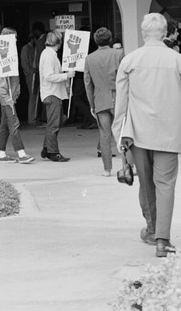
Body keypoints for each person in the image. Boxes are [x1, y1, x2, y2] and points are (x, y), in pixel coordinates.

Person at [113, 13, 181, 257]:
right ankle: (163, 240)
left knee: (145, 182)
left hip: (137, 134)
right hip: (169, 134)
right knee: (165, 185)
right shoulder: (177, 60)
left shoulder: (130, 60)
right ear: (164, 34)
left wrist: (119, 135)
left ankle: (151, 231)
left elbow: (120, 104)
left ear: (144, 34)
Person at [84, 27, 124, 176]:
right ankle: (128, 166)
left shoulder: (89, 58)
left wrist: (91, 104)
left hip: (100, 99)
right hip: (118, 96)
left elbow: (88, 84)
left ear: (96, 40)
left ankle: (107, 170)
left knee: (105, 135)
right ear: (110, 38)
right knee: (122, 134)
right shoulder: (119, 54)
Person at [0, 28, 34, 164]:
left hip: (10, 96)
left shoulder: (11, 55)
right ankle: (21, 153)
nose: (16, 40)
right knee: (14, 123)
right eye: (14, 37)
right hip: (6, 97)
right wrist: (7, 98)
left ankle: (1, 153)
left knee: (5, 124)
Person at [39, 30, 75, 162]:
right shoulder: (49, 55)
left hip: (53, 92)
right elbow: (48, 76)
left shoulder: (48, 53)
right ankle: (53, 152)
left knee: (55, 123)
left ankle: (47, 148)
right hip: (52, 92)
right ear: (58, 42)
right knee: (54, 124)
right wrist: (66, 76)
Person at [20, 35, 37, 125]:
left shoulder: (33, 48)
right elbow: (24, 64)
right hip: (31, 76)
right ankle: (31, 118)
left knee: (35, 96)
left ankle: (34, 117)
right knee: (33, 95)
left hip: (34, 74)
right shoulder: (25, 49)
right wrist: (31, 72)